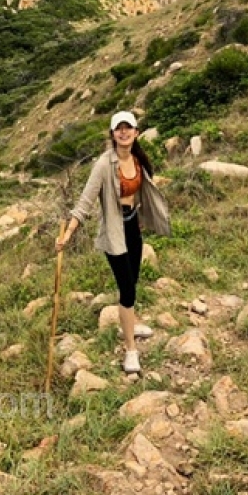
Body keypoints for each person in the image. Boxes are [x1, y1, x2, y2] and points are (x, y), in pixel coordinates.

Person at [55, 110, 171, 374]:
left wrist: (143, 215)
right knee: (127, 289)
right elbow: (85, 201)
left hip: (133, 227)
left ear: (135, 133)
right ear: (112, 134)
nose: (123, 132)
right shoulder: (104, 164)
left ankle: (129, 322)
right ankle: (131, 350)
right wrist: (68, 234)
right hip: (113, 232)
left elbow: (143, 190)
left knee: (134, 281)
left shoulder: (138, 160)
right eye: (118, 128)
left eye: (127, 127)